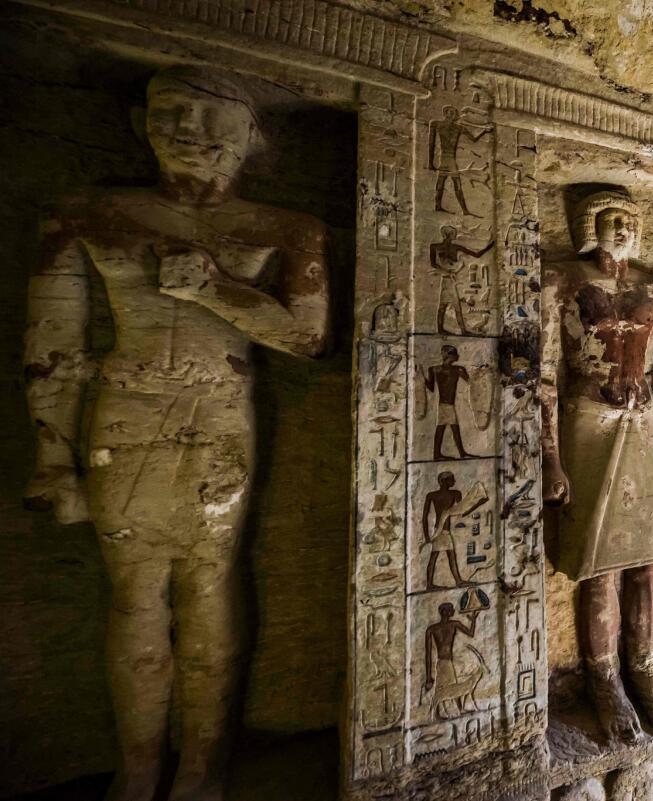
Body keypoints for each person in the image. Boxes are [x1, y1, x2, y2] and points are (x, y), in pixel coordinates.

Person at [23, 66, 330, 801]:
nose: (185, 128)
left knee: (207, 586)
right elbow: (52, 345)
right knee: (131, 596)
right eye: (169, 111)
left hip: (218, 416)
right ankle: (136, 769)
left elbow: (307, 338)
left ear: (250, 135)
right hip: (123, 412)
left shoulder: (284, 229)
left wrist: (215, 288)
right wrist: (53, 458)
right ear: (141, 123)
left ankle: (200, 768)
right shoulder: (90, 214)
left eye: (206, 112)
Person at [540, 188, 653, 742]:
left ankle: (646, 676)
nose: (623, 227)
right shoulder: (563, 278)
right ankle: (604, 682)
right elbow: (544, 371)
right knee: (601, 564)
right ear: (590, 225)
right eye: (611, 219)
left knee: (650, 560)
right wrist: (550, 459)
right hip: (587, 418)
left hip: (643, 423)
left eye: (630, 220)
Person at [425, 345, 474, 459]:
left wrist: (422, 378)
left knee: (447, 427)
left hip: (445, 404)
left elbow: (430, 387)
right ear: (450, 356)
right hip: (446, 405)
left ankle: (448, 453)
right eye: (454, 355)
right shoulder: (457, 370)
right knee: (449, 427)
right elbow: (470, 381)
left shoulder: (434, 369)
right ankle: (457, 453)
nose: (457, 357)